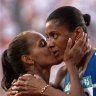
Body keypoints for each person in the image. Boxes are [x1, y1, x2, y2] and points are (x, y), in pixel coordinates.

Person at [10, 6, 96, 96]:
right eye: (48, 37)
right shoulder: (63, 73)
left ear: (78, 33)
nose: (49, 44)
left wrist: (43, 88)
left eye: (54, 35)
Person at [1, 30, 88, 96]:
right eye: (43, 44)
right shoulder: (23, 90)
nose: (50, 44)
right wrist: (71, 64)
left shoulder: (48, 84)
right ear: (28, 59)